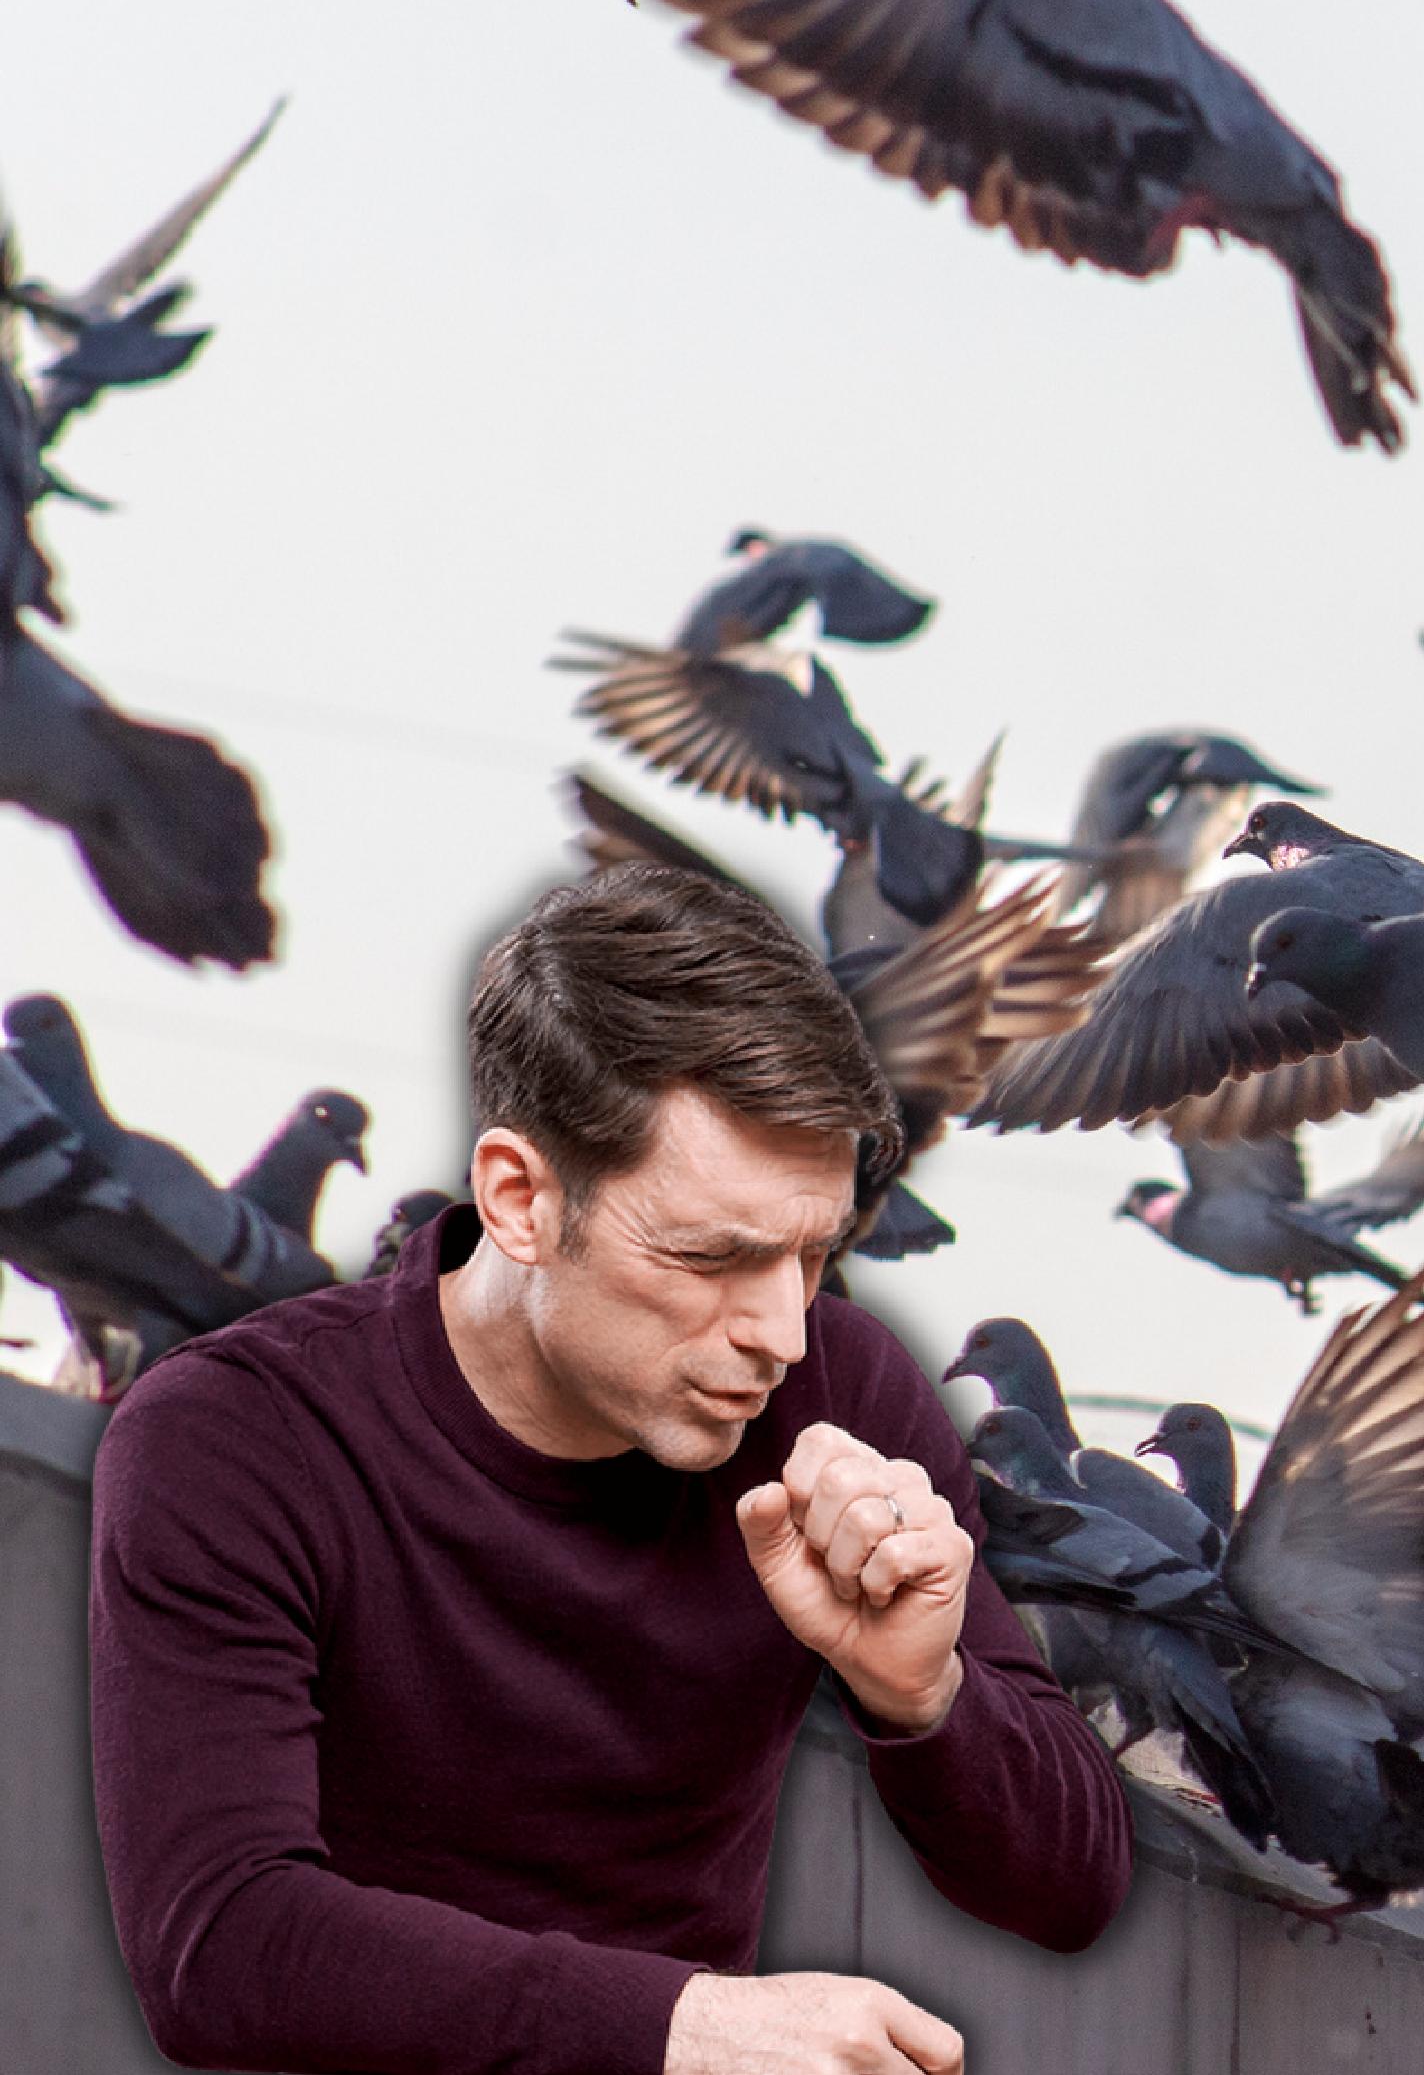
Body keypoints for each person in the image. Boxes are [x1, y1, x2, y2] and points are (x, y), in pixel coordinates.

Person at [87, 864, 1132, 2075]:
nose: (781, 1333)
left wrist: (927, 1695)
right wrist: (681, 2024)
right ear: (519, 1200)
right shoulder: (236, 1439)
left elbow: (1075, 1890)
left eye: (812, 1253)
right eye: (709, 1257)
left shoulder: (837, 1393)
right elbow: (218, 1946)